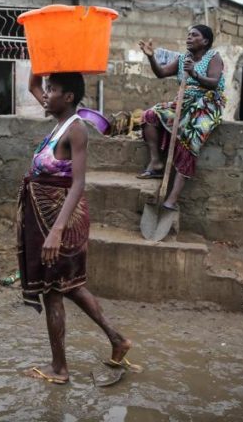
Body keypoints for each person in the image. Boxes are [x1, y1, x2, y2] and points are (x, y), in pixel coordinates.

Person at [19, 71, 135, 385]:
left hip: (61, 221)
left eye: (52, 90)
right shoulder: (58, 125)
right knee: (68, 286)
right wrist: (44, 56)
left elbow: (78, 183)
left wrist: (56, 230)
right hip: (48, 218)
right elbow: (33, 84)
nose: (45, 95)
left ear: (68, 97)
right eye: (46, 89)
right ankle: (117, 340)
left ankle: (60, 369)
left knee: (54, 292)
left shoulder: (76, 130)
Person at [137, 24, 225, 210]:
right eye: (188, 35)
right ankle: (156, 161)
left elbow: (214, 83)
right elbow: (161, 73)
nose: (189, 38)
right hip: (183, 102)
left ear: (205, 41)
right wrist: (151, 57)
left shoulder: (213, 58)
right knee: (150, 115)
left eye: (194, 35)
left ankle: (172, 199)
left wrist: (194, 73)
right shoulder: (182, 58)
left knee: (190, 135)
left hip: (207, 103)